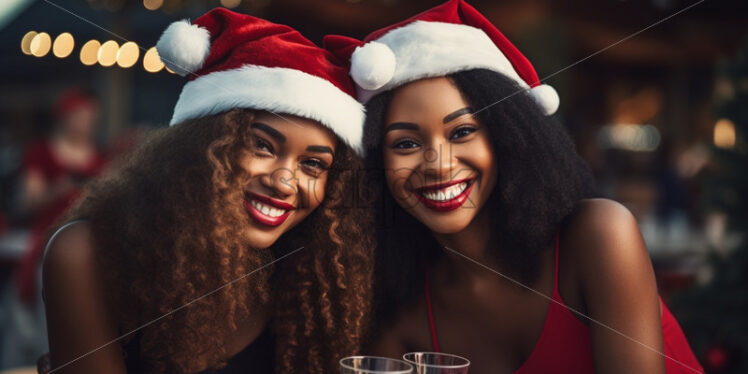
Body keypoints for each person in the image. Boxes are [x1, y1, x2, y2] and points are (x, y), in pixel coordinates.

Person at [325, 1, 703, 373]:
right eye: (405, 144)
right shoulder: (397, 309)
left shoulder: (599, 236)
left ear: (507, 137)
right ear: (374, 165)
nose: (437, 164)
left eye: (462, 132)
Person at [42, 8, 372, 374]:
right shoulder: (85, 253)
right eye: (262, 145)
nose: (284, 181)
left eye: (313, 164)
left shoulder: (312, 273)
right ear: (201, 145)